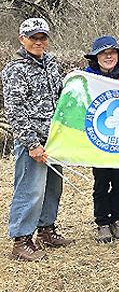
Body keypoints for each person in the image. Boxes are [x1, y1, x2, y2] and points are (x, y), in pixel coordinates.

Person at [2, 18, 73, 261]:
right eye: (33, 38)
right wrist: (32, 144)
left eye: (43, 37)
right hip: (32, 142)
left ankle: (46, 230)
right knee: (30, 190)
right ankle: (21, 241)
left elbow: (60, 95)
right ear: (22, 39)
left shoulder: (50, 63)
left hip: (53, 139)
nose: (39, 42)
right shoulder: (15, 70)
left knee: (53, 187)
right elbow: (15, 110)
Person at [84, 36, 119, 243]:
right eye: (103, 53)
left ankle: (117, 220)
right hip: (99, 138)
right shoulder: (87, 78)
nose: (108, 56)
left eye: (112, 52)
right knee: (101, 182)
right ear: (96, 57)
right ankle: (102, 222)